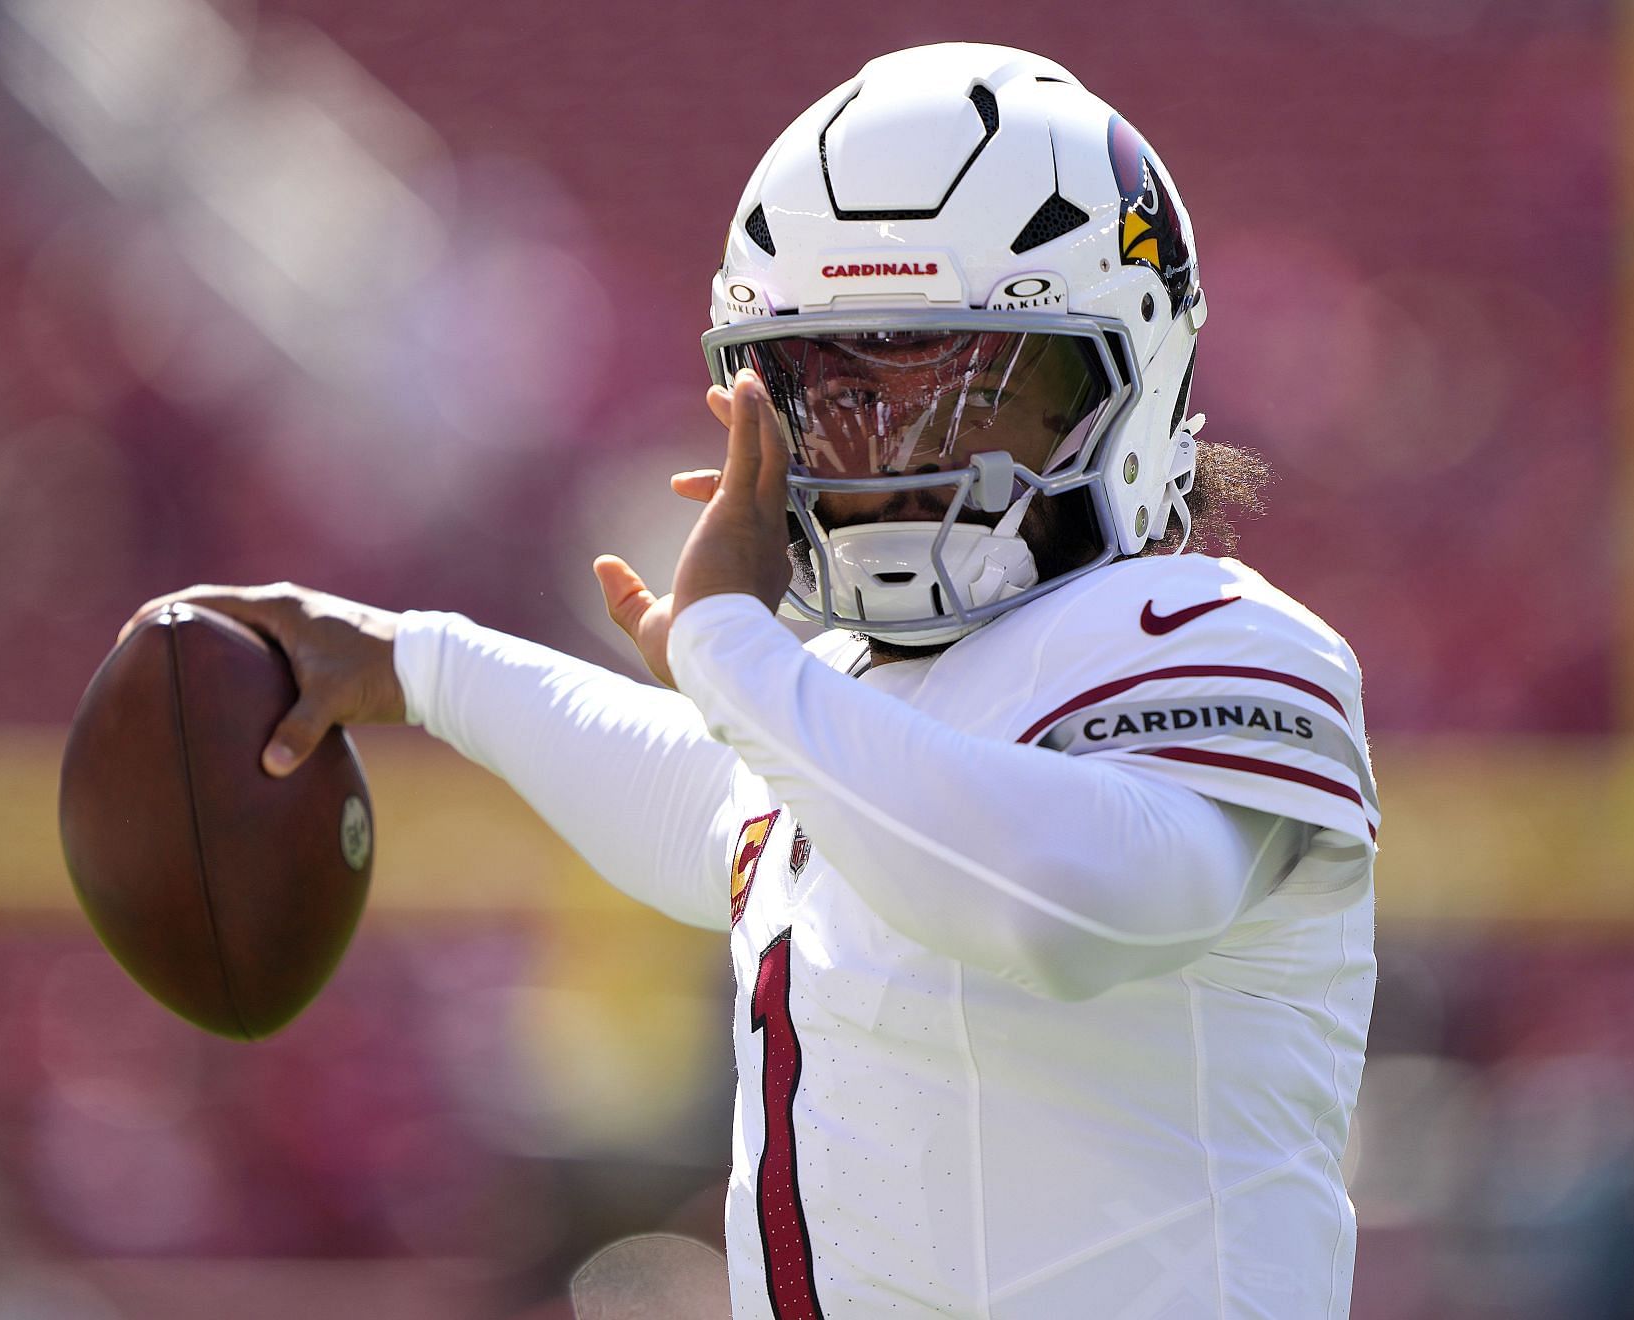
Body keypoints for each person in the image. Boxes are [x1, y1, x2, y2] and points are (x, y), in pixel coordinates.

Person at [130, 43, 1378, 1319]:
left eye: (960, 391)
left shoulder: (1219, 639)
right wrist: (414, 663)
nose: (891, 457)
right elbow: (733, 812)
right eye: (833, 392)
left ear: (1134, 375)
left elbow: (1064, 903)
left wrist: (732, 653)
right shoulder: (856, 712)